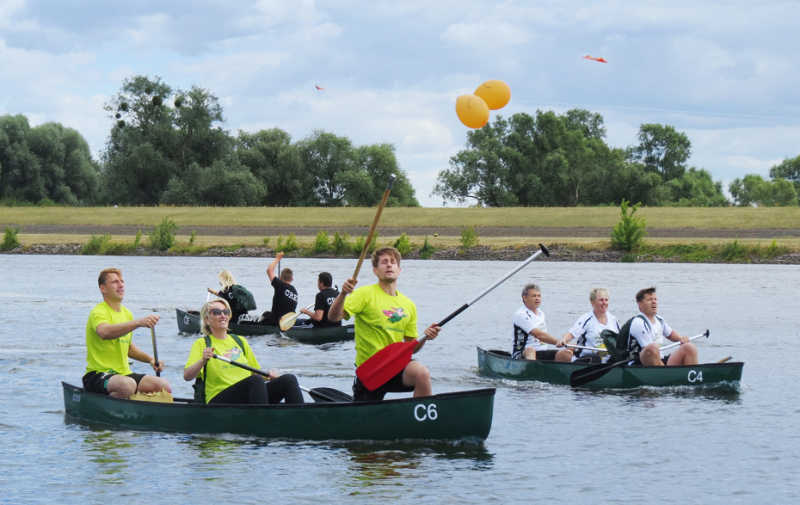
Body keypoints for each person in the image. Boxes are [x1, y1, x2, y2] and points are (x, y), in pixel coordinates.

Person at [328, 246, 441, 402]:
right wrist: (343, 294)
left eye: (392, 262)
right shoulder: (364, 294)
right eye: (384, 262)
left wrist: (425, 337)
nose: (389, 265)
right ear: (375, 271)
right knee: (364, 414)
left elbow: (412, 348)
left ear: (399, 270)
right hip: (371, 371)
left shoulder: (409, 305)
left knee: (422, 373)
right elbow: (333, 317)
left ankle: (422, 414)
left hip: (395, 366)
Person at [183, 299, 304, 404]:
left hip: (247, 393)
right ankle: (263, 419)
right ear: (207, 320)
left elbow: (254, 374)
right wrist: (203, 360)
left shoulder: (240, 341)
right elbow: (187, 376)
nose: (223, 315)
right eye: (216, 312)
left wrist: (268, 375)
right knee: (255, 381)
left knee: (289, 379)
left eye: (226, 312)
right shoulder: (202, 343)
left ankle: (301, 417)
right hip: (219, 399)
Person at [83, 268, 171, 399]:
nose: (121, 285)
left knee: (163, 385)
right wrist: (138, 323)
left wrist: (151, 360)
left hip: (124, 374)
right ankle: (112, 409)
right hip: (98, 375)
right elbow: (104, 332)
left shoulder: (127, 314)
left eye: (122, 281)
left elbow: (128, 347)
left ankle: (139, 409)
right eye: (115, 282)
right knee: (127, 385)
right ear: (103, 288)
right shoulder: (99, 312)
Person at [628, 287, 699, 366]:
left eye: (655, 299)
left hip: (659, 359)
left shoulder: (659, 319)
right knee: (653, 347)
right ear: (640, 304)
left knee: (690, 347)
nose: (654, 302)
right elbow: (650, 351)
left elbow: (671, 334)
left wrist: (682, 339)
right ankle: (666, 372)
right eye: (650, 299)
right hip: (639, 363)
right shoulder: (639, 323)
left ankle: (691, 373)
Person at [556, 287, 620, 363]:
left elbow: (620, 339)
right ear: (593, 303)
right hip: (587, 359)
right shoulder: (586, 319)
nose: (604, 303)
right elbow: (571, 333)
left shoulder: (613, 320)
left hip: (607, 360)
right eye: (601, 300)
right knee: (596, 358)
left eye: (606, 300)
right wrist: (564, 340)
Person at [511, 283, 572, 362]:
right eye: (534, 296)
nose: (537, 298)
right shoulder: (521, 314)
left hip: (542, 352)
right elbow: (539, 335)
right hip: (522, 353)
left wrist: (567, 344)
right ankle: (533, 369)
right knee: (530, 350)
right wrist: (558, 341)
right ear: (525, 298)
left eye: (539, 296)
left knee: (568, 354)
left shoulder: (541, 313)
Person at [259, 251, 299, 326]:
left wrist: (277, 259)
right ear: (292, 279)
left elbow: (269, 270)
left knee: (264, 316)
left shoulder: (280, 285)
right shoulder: (294, 291)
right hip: (288, 322)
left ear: (280, 278)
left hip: (277, 322)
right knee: (266, 313)